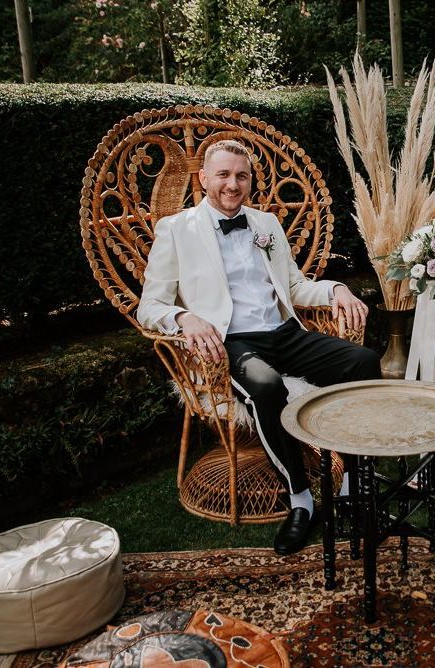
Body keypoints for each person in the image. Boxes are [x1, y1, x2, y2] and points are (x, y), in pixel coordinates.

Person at [137, 139, 380, 555]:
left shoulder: (266, 223)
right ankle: (301, 498)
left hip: (284, 332)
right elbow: (149, 307)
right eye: (224, 175)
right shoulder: (177, 230)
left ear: (250, 180)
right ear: (204, 179)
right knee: (267, 388)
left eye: (241, 176)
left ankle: (354, 486)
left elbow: (295, 287)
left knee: (363, 361)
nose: (233, 184)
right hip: (230, 342)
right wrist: (183, 317)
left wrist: (336, 289)